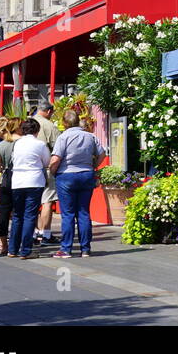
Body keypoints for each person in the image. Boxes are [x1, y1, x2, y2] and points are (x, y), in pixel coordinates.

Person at [49, 109, 103, 258]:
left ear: (65, 123)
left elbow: (55, 159)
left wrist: (53, 171)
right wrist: (93, 166)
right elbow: (102, 153)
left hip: (66, 175)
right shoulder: (90, 136)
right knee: (84, 212)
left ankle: (66, 248)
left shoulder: (63, 137)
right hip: (86, 174)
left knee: (68, 214)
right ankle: (85, 248)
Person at [9, 117, 51, 259]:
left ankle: (12, 249)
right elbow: (47, 161)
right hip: (34, 181)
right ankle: (25, 250)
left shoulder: (17, 144)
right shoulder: (40, 144)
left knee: (17, 215)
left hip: (18, 181)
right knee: (29, 216)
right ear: (37, 131)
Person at [0, 119, 20, 256]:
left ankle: (3, 243)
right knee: (18, 214)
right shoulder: (21, 143)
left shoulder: (1, 145)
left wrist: (3, 169)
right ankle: (16, 242)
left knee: (3, 213)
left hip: (5, 181)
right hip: (20, 180)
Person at [33, 103, 60, 246]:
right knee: (47, 201)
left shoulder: (28, 122)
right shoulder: (49, 126)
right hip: (46, 167)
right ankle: (46, 233)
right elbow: (58, 148)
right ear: (49, 111)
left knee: (33, 202)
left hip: (30, 168)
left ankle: (35, 231)